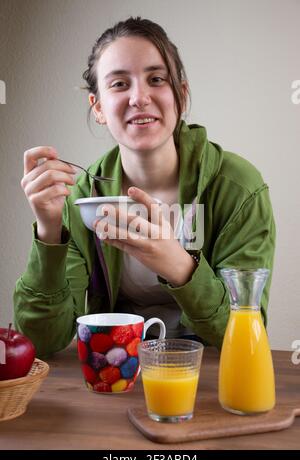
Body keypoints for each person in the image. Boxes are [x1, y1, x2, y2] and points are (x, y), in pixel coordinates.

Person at [14, 17, 276, 358]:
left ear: (181, 95)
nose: (139, 97)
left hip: (208, 380)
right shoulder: (81, 199)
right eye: (120, 84)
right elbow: (43, 340)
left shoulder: (239, 188)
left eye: (156, 79)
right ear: (97, 108)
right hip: (118, 370)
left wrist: (179, 265)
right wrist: (50, 232)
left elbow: (243, 337)